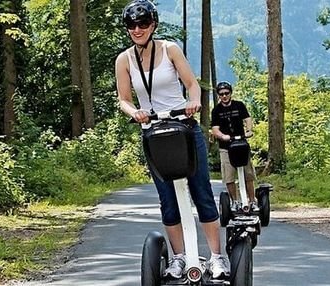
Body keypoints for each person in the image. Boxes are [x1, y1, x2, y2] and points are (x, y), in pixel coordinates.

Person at [114, 0, 230, 279]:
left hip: (184, 128)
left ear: (153, 25)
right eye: (132, 25)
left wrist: (192, 102)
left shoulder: (170, 49)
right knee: (168, 200)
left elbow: (192, 84)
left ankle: (217, 257)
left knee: (201, 191)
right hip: (153, 135)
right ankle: (178, 257)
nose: (137, 29)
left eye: (143, 24)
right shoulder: (124, 60)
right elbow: (123, 99)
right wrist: (136, 112)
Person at [211, 81, 259, 212]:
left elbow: (247, 119)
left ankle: (252, 201)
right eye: (221, 94)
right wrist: (222, 136)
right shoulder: (216, 111)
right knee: (229, 177)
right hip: (226, 147)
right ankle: (235, 201)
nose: (224, 96)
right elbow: (215, 129)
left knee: (248, 174)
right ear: (218, 96)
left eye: (226, 93)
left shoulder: (239, 105)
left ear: (230, 93)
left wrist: (249, 131)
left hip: (241, 144)